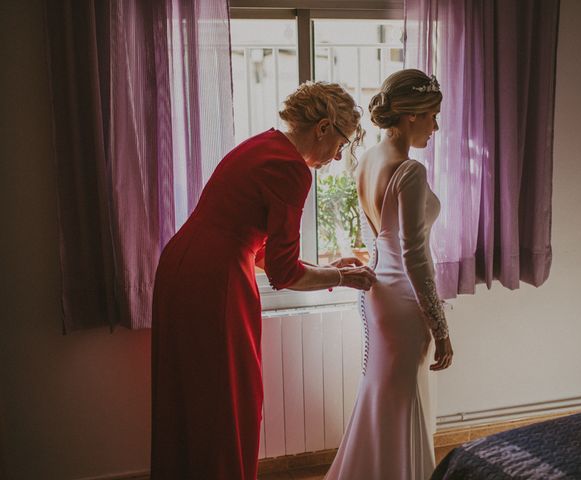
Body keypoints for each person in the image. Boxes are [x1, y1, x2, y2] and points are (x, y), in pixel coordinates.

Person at [151, 81, 376, 480]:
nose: (339, 155)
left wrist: (330, 268)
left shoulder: (261, 144)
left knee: (188, 394)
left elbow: (260, 251)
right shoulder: (291, 169)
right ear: (323, 127)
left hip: (181, 266)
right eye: (341, 143)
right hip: (215, 280)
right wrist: (343, 276)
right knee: (228, 398)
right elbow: (283, 273)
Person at [325, 69, 454, 480]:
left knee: (383, 393)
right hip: (405, 300)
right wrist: (441, 328)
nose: (436, 126)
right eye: (432, 115)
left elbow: (375, 233)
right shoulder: (409, 171)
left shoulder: (367, 159)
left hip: (377, 291)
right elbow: (415, 258)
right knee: (404, 397)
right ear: (410, 116)